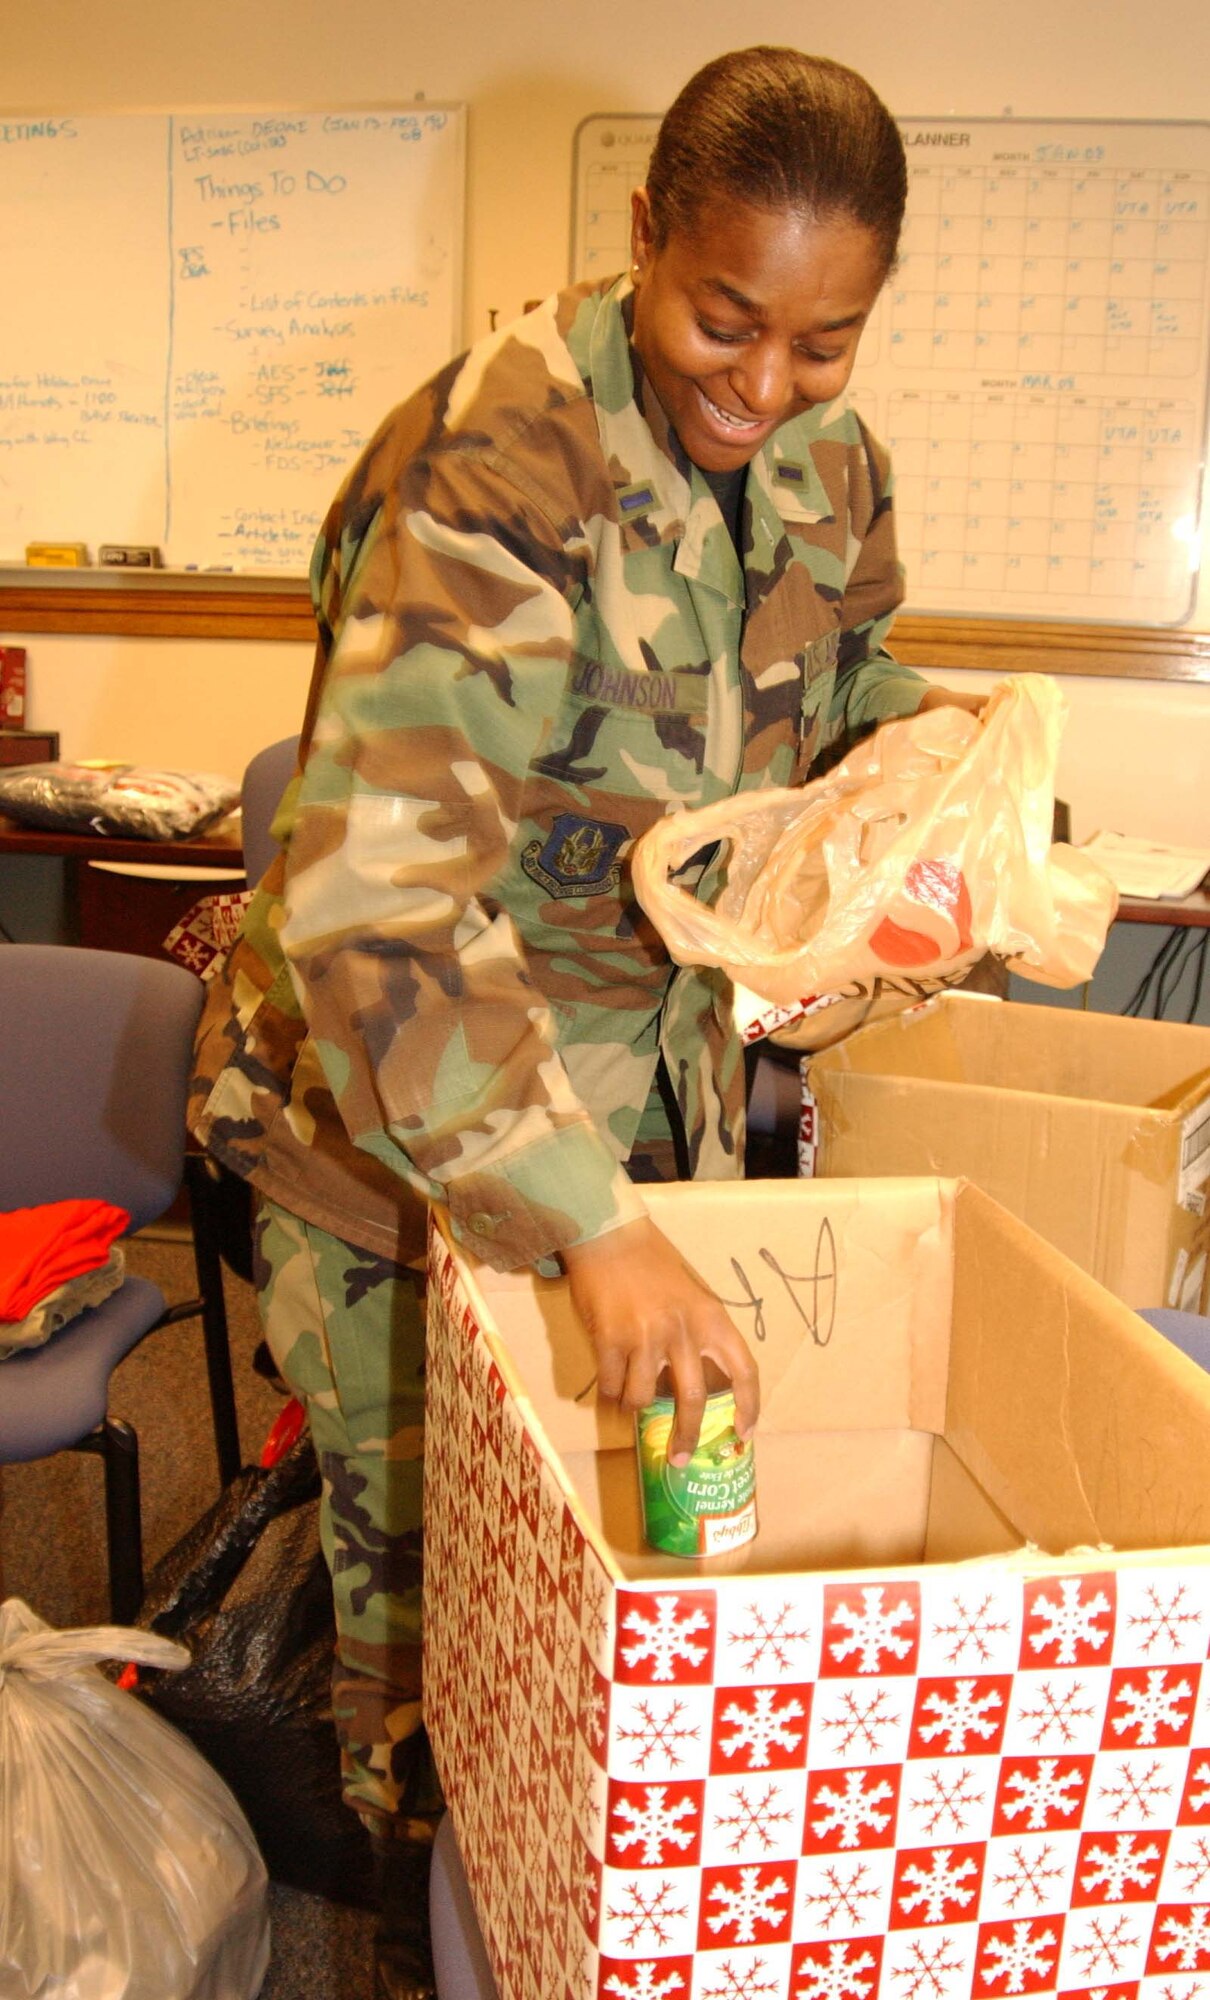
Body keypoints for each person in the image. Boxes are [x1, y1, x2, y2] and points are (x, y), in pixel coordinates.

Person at [189, 45, 984, 1999]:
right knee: (438, 1623)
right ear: (640, 234)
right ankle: (401, 1933)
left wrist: (953, 791)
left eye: (822, 341)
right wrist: (591, 1225)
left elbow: (853, 680)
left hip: (653, 1092)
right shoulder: (496, 462)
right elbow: (373, 893)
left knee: (622, 1565)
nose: (763, 386)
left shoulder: (823, 456)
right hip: (398, 1134)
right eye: (723, 320)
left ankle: (576, 1903)